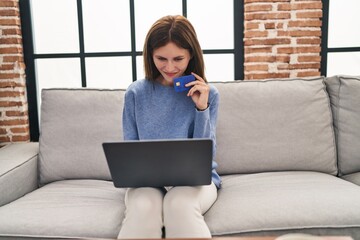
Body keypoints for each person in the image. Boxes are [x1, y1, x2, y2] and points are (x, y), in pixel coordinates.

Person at [118, 15, 221, 239]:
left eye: (178, 58)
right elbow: (130, 151)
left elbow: (206, 154)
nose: (170, 67)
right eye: (161, 58)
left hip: (196, 183)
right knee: (143, 206)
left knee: (179, 205)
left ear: (191, 55)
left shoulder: (208, 94)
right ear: (150, 56)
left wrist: (201, 109)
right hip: (147, 183)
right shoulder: (135, 93)